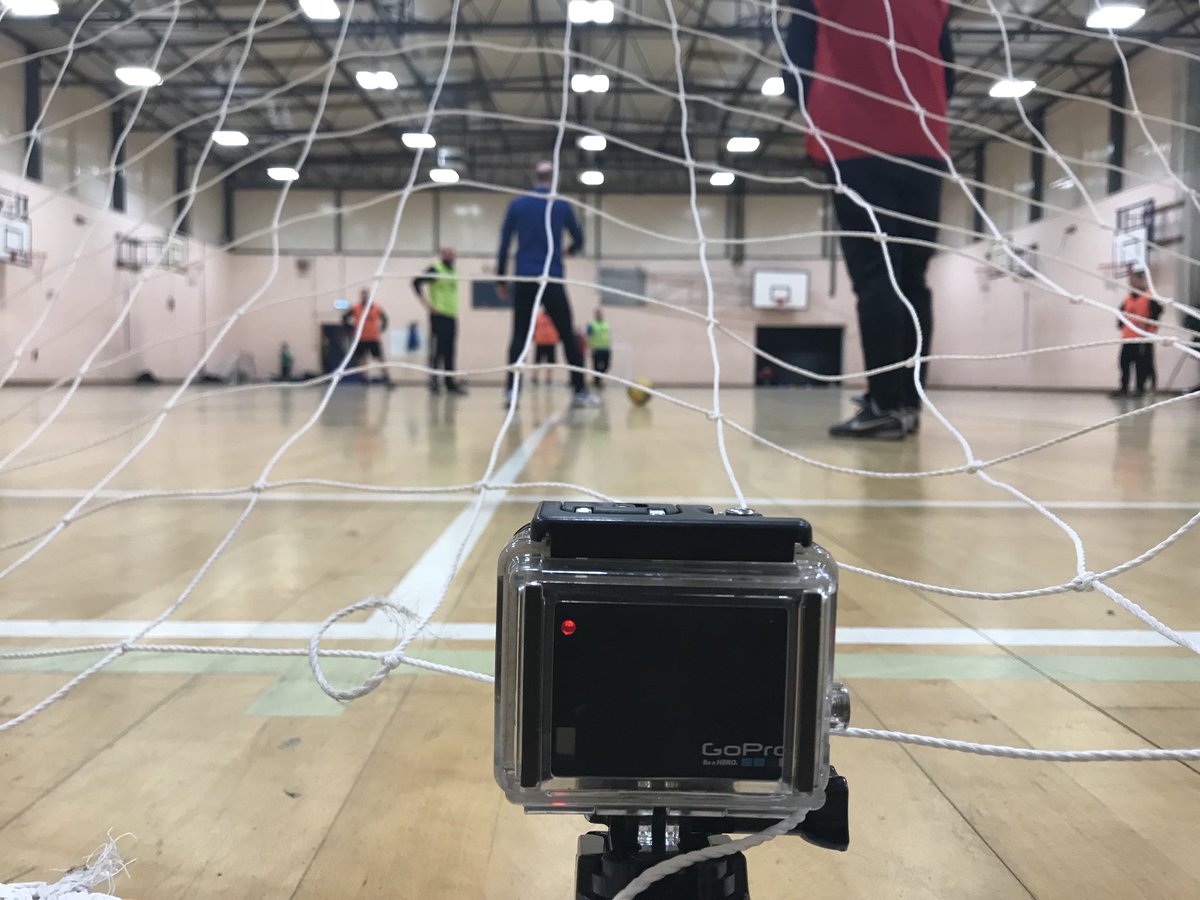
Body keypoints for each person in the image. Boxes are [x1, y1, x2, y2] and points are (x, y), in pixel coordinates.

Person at [784, 1, 955, 439]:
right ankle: (906, 403)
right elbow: (946, 70)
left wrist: (828, 108)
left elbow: (794, 69)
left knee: (878, 277)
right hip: (924, 143)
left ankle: (885, 403)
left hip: (854, 143)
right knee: (913, 279)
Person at [496, 160, 598, 407]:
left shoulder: (517, 204)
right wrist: (568, 251)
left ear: (535, 177)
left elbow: (504, 243)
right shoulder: (560, 204)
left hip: (524, 278)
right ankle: (579, 391)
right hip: (551, 277)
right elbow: (580, 239)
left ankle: (512, 391)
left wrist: (500, 277)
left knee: (519, 336)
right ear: (553, 180)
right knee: (568, 336)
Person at [412, 246, 467, 395]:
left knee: (450, 351)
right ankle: (433, 382)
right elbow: (416, 282)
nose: (451, 256)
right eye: (448, 253)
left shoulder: (454, 271)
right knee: (438, 350)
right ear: (442, 255)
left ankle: (450, 383)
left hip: (451, 315)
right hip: (438, 315)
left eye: (453, 253)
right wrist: (427, 305)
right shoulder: (435, 269)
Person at [1111, 268, 1158, 398]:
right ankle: (1124, 388)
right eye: (1130, 280)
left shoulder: (1149, 297)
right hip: (1128, 337)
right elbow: (1120, 315)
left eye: (1134, 279)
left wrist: (1149, 331)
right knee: (1124, 364)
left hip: (1142, 338)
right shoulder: (1127, 299)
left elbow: (1156, 314)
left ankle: (1140, 389)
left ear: (1141, 280)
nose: (1131, 282)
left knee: (1142, 365)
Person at [344, 288, 393, 387]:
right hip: (360, 338)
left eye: (366, 295)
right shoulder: (355, 308)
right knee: (361, 359)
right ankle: (364, 379)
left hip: (373, 338)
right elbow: (344, 318)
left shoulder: (376, 308)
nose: (364, 297)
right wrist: (350, 329)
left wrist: (382, 329)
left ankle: (387, 378)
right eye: (363, 295)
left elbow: (385, 318)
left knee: (380, 358)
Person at [531, 309, 559, 386]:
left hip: (551, 342)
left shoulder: (555, 317)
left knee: (550, 362)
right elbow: (533, 327)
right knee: (537, 361)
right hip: (540, 342)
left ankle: (548, 379)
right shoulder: (538, 317)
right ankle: (535, 378)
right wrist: (533, 337)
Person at [586, 307, 612, 388]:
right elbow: (588, 335)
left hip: (605, 348)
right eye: (598, 313)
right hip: (596, 349)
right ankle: (597, 382)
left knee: (606, 365)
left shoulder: (606, 324)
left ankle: (599, 379)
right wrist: (590, 347)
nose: (599, 315)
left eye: (600, 313)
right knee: (596, 366)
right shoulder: (592, 324)